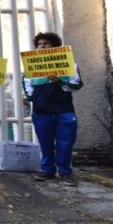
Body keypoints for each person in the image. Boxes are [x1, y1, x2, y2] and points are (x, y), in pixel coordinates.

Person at [23, 32, 82, 186]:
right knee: (45, 142)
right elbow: (27, 86)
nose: (42, 46)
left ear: (54, 46)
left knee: (65, 143)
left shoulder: (69, 63)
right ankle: (47, 171)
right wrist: (35, 98)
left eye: (46, 44)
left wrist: (60, 80)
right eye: (40, 44)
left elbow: (76, 85)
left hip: (64, 110)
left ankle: (65, 173)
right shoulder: (31, 65)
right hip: (41, 111)